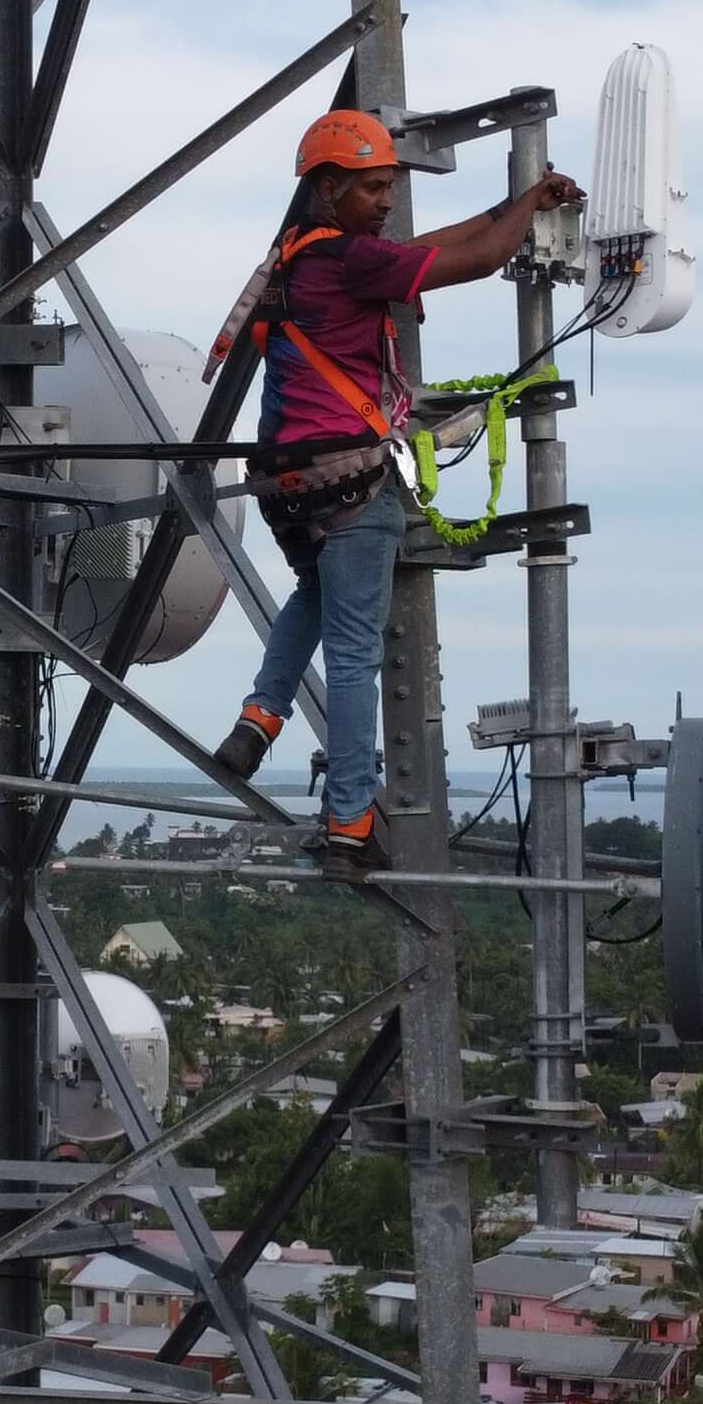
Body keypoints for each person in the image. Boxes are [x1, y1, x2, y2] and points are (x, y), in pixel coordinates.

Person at [206, 109, 581, 877]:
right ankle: (350, 820)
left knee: (314, 590)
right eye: (373, 187)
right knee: (352, 655)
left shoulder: (301, 256)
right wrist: (528, 203)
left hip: (283, 480)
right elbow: (474, 262)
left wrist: (518, 206)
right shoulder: (348, 262)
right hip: (347, 480)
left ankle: (259, 717)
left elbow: (426, 250)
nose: (385, 199)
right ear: (332, 186)